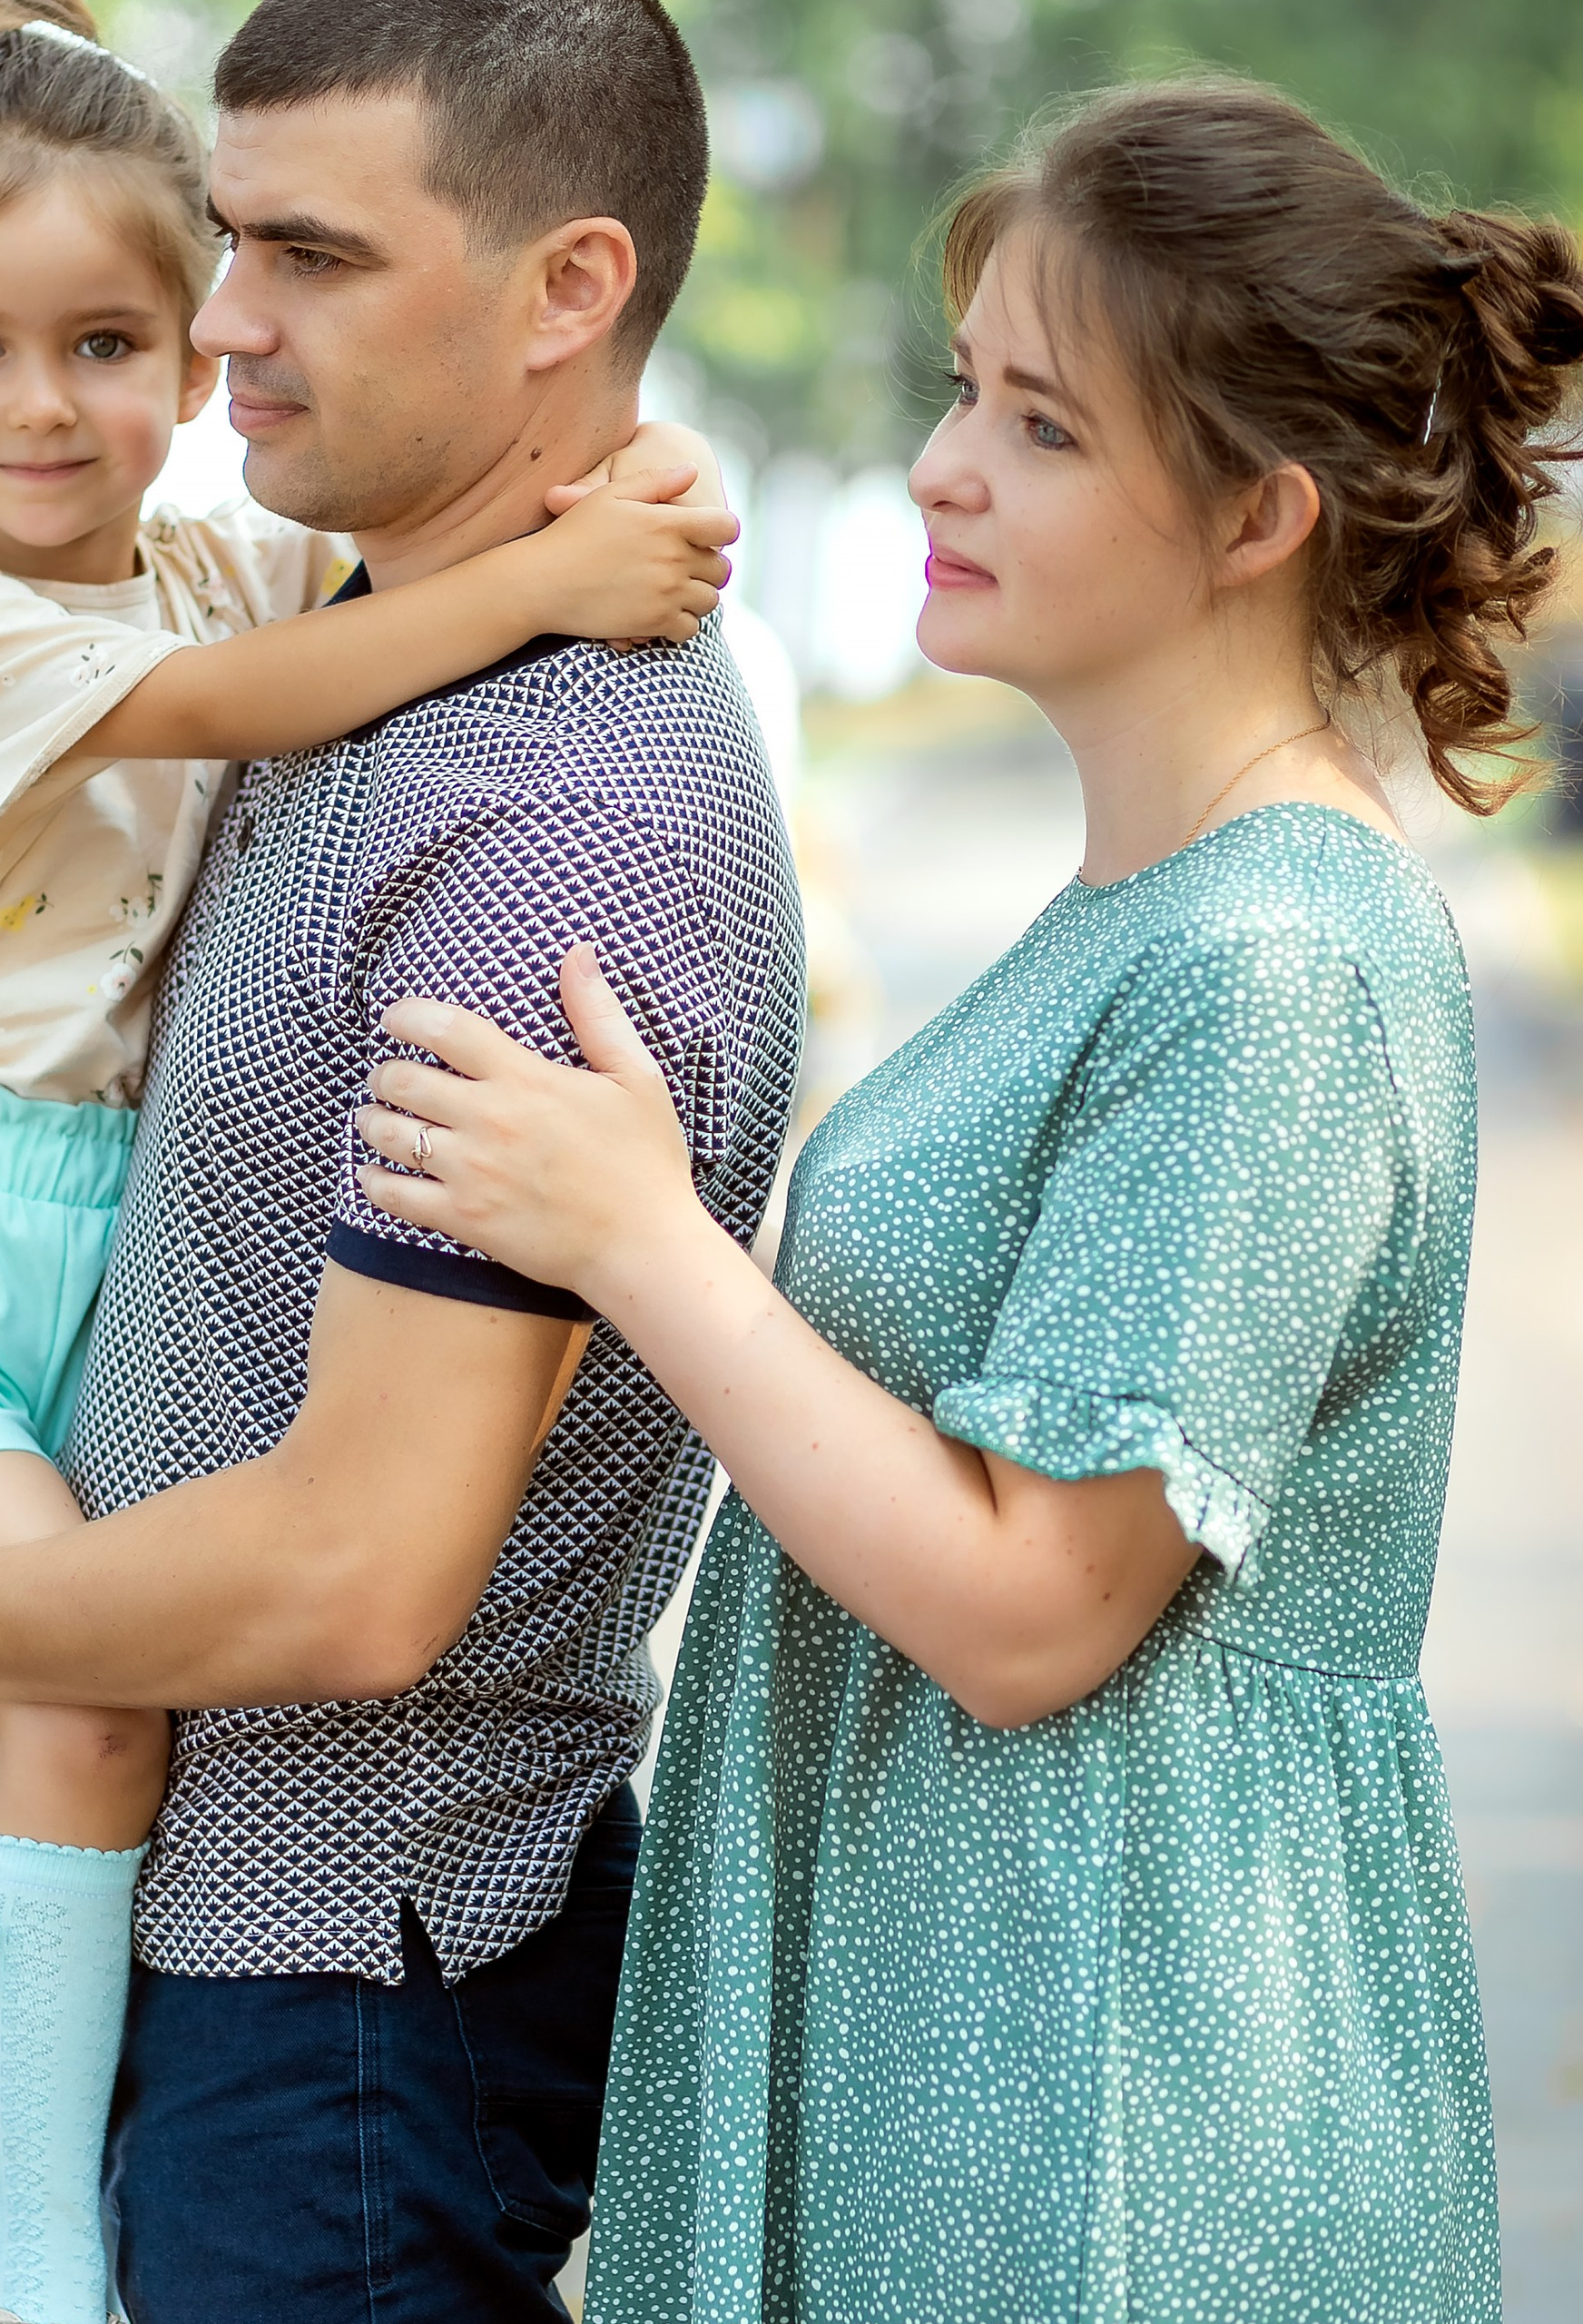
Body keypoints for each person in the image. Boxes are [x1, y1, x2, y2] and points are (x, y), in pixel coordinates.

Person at [347, 78, 1583, 2324]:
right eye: (957, 391)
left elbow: (1030, 1608)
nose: (939, 468)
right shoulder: (1143, 909)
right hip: (977, 2035)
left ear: (1254, 516)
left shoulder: (1272, 966)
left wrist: (640, 1240)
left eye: (1039, 425)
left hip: (1120, 2108)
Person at [0, 2, 806, 2319]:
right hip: (243, 1953)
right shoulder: (353, 640)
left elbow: (356, 1566)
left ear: (568, 288)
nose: (220, 326)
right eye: (223, 243)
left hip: (344, 1993)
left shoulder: (544, 816)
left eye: (303, 255)